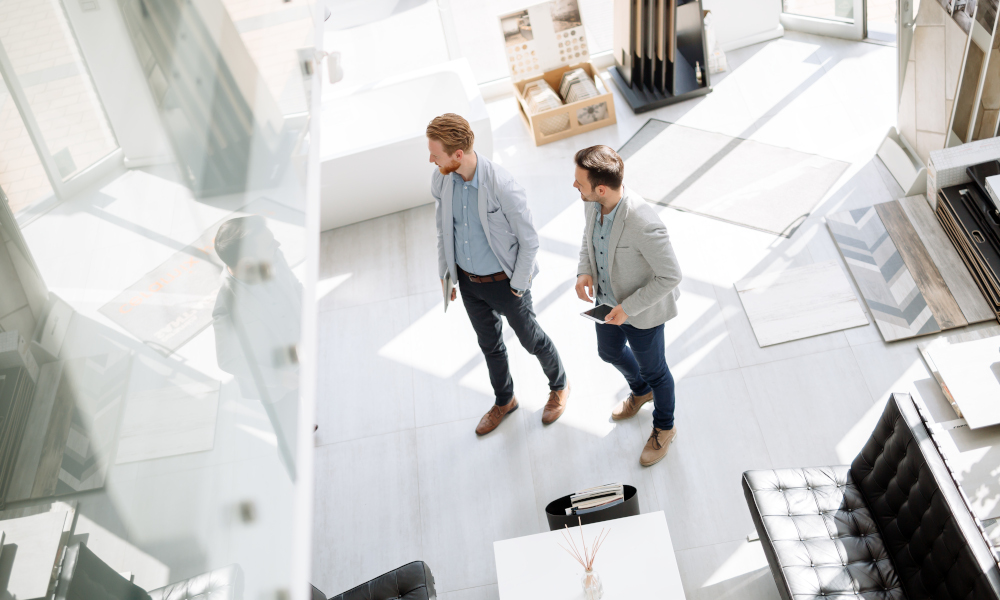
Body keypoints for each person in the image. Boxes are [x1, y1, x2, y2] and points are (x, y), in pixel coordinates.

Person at [427, 113, 570, 435]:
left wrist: (518, 286)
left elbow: (530, 241)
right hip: (467, 283)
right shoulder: (441, 180)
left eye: (435, 154)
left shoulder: (501, 185)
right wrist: (446, 274)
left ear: (457, 155)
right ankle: (505, 400)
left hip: (506, 284)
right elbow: (442, 232)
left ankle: (559, 385)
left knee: (531, 340)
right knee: (489, 345)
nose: (431, 159)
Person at [573, 145, 682, 466]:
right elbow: (587, 237)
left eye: (580, 183)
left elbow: (671, 275)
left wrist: (629, 308)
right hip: (606, 300)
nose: (575, 187)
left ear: (601, 188)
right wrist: (584, 269)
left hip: (643, 312)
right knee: (608, 352)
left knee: (657, 372)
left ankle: (664, 427)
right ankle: (640, 390)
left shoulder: (644, 223)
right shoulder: (593, 205)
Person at [212, 216, 302, 475]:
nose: (278, 244)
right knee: (290, 438)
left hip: (302, 354)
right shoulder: (226, 307)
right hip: (278, 384)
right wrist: (279, 378)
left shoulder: (275, 255)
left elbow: (294, 287)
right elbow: (228, 360)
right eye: (269, 244)